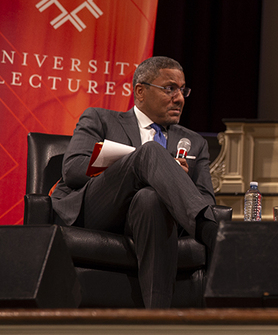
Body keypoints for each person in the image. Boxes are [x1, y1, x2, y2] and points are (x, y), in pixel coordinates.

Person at [50, 56, 223, 308]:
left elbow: (206, 199)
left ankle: (156, 321)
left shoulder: (194, 142)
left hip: (151, 218)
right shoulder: (100, 118)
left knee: (150, 198)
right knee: (151, 152)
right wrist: (137, 164)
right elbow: (73, 169)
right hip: (99, 209)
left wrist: (172, 179)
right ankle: (216, 235)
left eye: (182, 90)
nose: (180, 98)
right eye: (169, 89)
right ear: (140, 91)